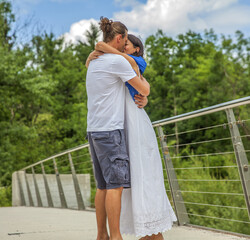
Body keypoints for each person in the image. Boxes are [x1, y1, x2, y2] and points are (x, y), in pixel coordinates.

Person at [91, 34, 177, 239]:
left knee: (139, 176)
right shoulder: (118, 63)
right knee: (124, 182)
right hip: (121, 126)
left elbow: (144, 88)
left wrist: (104, 47)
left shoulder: (135, 61)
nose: (122, 48)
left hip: (136, 126)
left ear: (137, 49)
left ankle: (143, 229)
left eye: (126, 45)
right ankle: (134, 231)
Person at [85, 17, 150, 240]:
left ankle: (102, 235)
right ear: (120, 38)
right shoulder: (117, 61)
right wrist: (129, 61)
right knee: (116, 187)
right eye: (125, 42)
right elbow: (143, 88)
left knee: (103, 186)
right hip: (111, 131)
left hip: (94, 130)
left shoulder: (94, 61)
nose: (126, 47)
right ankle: (116, 237)